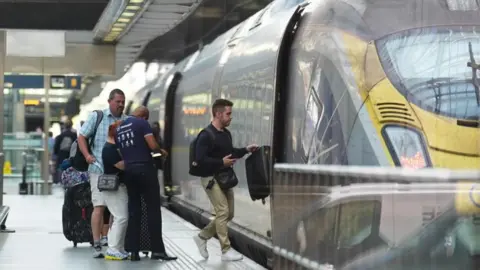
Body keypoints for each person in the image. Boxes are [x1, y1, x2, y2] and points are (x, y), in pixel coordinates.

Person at [192, 98, 258, 261]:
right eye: (228, 114)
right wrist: (221, 162)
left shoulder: (226, 134)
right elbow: (199, 159)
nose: (231, 117)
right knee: (222, 211)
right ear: (218, 114)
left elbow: (230, 153)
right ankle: (226, 250)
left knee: (229, 214)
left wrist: (245, 150)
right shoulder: (206, 135)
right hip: (210, 179)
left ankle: (201, 237)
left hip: (224, 178)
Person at [115, 106, 177, 262]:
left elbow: (121, 151)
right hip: (145, 169)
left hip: (129, 171)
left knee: (134, 211)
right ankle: (157, 251)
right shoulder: (141, 123)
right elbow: (152, 145)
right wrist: (161, 152)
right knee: (153, 210)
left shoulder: (120, 128)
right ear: (143, 116)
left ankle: (134, 251)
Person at [78, 89, 127, 258]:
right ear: (109, 101)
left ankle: (111, 242)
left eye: (123, 102)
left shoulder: (126, 120)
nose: (121, 104)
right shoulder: (97, 117)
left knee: (115, 210)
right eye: (118, 101)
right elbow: (82, 136)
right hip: (97, 170)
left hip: (116, 172)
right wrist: (87, 155)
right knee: (99, 207)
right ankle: (97, 242)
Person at [101, 121, 129, 260]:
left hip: (118, 187)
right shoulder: (109, 149)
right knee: (121, 217)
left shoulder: (113, 147)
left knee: (122, 217)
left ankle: (119, 248)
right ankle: (112, 249)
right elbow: (122, 166)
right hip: (114, 188)